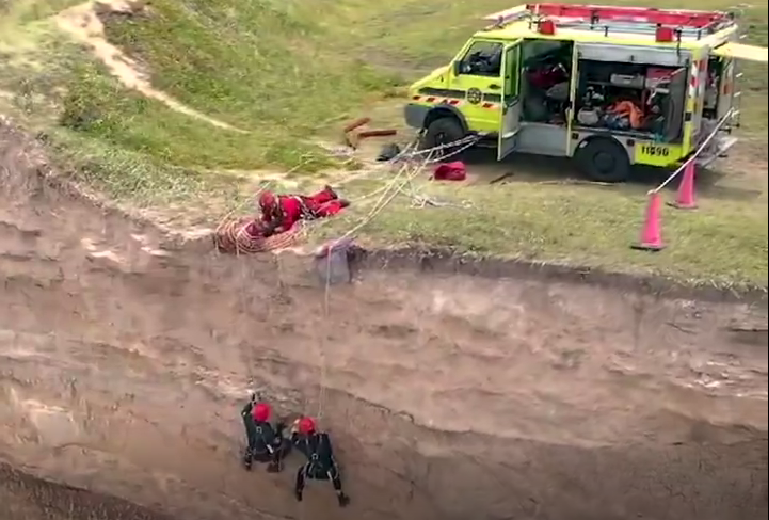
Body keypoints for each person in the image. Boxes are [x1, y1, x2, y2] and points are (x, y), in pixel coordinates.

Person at [290, 416, 350, 507]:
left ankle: (299, 491)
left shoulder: (304, 443)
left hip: (312, 472)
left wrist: (295, 428)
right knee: (334, 471)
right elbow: (328, 451)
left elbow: (294, 441)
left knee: (301, 471)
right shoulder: (324, 438)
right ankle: (339, 495)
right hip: (327, 472)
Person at [249, 186, 349, 237]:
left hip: (302, 207)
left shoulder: (284, 210)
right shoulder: (272, 207)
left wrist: (272, 232)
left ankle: (338, 204)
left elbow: (287, 226)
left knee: (319, 212)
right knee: (313, 200)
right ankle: (327, 194)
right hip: (297, 201)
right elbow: (266, 217)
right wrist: (263, 224)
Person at [240, 397, 290, 472]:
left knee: (251, 445)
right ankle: (275, 463)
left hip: (253, 448)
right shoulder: (267, 430)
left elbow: (244, 412)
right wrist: (279, 431)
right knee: (284, 444)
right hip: (263, 455)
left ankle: (248, 462)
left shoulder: (248, 419)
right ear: (266, 416)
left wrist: (251, 404)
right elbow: (274, 442)